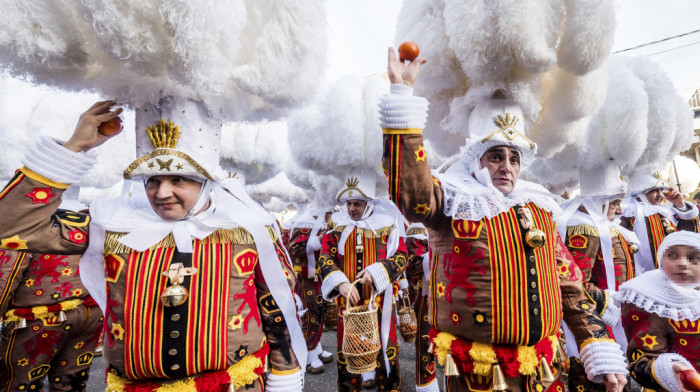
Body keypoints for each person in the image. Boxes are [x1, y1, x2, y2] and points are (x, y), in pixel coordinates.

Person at [0, 99, 306, 391]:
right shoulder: (110, 227)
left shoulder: (246, 229)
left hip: (233, 385)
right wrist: (73, 148)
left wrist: (285, 374)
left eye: (178, 180)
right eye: (152, 181)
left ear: (205, 183)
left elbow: (276, 309)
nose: (162, 193)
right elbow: (12, 227)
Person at [379, 48, 629, 392]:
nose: (507, 166)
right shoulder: (452, 199)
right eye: (495, 156)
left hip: (545, 367)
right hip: (479, 374)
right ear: (476, 160)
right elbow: (413, 195)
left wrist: (595, 341)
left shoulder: (537, 205)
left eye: (514, 157)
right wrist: (402, 97)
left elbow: (567, 281)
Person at [317, 171, 408, 392]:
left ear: (368, 203)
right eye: (349, 203)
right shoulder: (336, 223)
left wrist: (377, 272)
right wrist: (341, 284)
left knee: (386, 353)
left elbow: (402, 256)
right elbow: (325, 256)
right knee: (347, 353)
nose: (351, 209)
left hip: (380, 302)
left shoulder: (387, 222)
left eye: (357, 204)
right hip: (347, 304)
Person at [556, 163, 641, 392]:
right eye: (614, 202)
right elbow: (575, 283)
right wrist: (606, 300)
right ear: (598, 200)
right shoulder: (583, 229)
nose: (620, 210)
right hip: (598, 318)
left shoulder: (602, 225)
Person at [618, 231, 700, 392]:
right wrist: (669, 370)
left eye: (693, 258)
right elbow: (640, 360)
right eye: (673, 255)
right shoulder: (648, 300)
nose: (683, 263)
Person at [621, 171, 699, 274]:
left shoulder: (667, 211)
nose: (660, 195)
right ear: (640, 192)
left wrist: (680, 205)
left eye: (661, 190)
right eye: (654, 191)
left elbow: (688, 236)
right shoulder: (626, 213)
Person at [286, 206, 333, 374]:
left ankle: (316, 345)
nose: (331, 214)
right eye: (329, 210)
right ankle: (308, 354)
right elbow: (293, 249)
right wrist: (315, 243)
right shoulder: (304, 224)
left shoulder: (324, 224)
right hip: (306, 278)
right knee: (310, 315)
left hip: (320, 277)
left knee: (321, 312)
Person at [404, 222, 438, 392]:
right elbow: (411, 265)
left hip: (450, 296)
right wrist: (436, 255)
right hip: (428, 297)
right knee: (427, 342)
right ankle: (426, 383)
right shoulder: (417, 229)